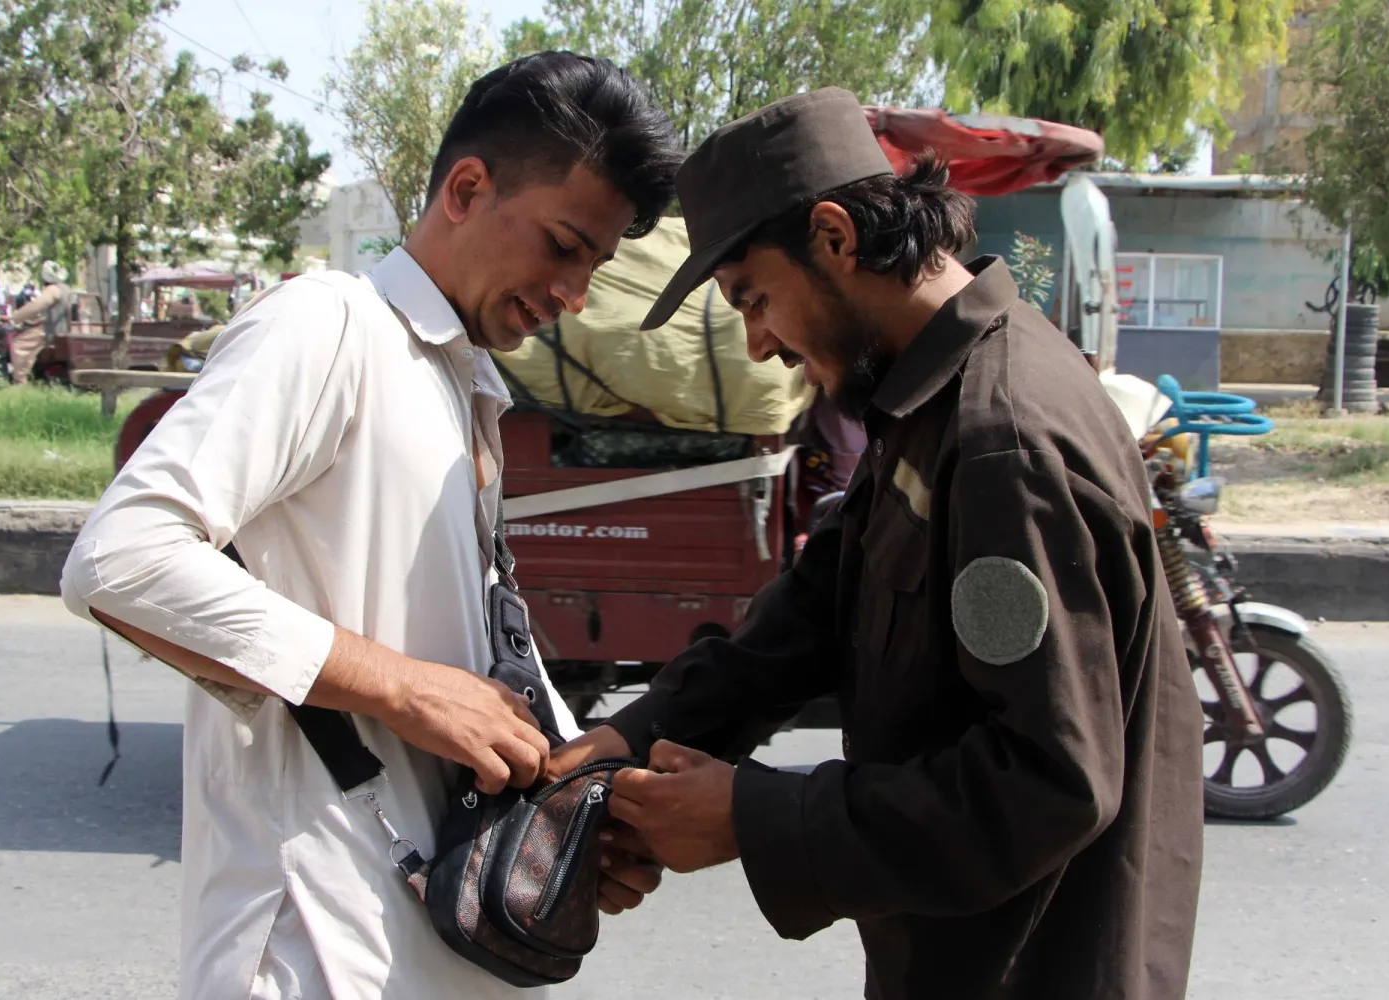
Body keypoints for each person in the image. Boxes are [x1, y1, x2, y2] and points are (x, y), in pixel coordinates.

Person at [553, 88, 1204, 999]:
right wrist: (629, 737)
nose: (761, 344)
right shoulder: (924, 401)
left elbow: (1045, 781)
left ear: (834, 237)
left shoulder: (1000, 439)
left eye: (756, 299)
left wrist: (752, 815)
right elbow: (820, 605)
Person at [60, 52, 680, 1000]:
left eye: (595, 263)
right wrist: (397, 686)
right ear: (466, 188)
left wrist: (576, 819)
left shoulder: (457, 380)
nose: (574, 294)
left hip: (424, 938)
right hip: (313, 948)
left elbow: (469, 655)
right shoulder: (327, 325)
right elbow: (120, 558)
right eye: (563, 245)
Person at [5, 260, 71, 385]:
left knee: (18, 344)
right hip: (62, 328)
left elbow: (36, 306)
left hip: (52, 331)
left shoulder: (53, 290)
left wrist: (14, 318)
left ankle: (19, 380)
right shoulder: (66, 288)